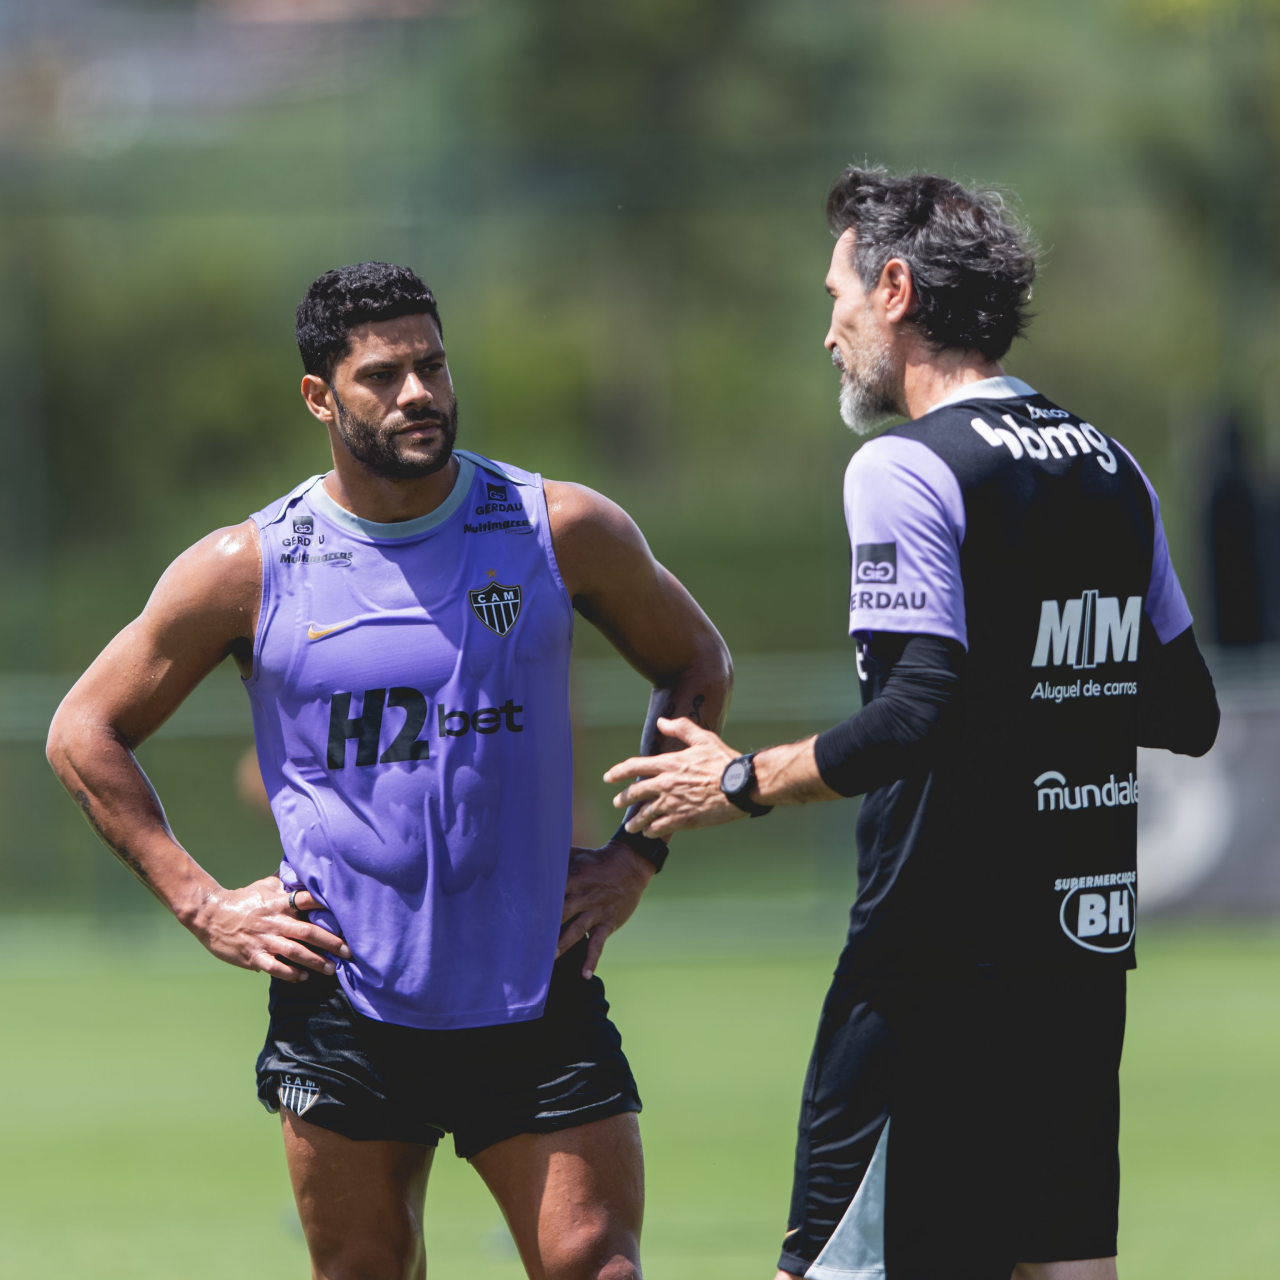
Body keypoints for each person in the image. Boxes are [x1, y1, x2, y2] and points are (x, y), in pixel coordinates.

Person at [46, 262, 730, 1280]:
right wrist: (203, 903)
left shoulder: (557, 527)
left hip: (534, 984)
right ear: (321, 396)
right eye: (382, 375)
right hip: (344, 1002)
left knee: (597, 1265)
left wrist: (635, 857)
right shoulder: (250, 564)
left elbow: (696, 663)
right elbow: (83, 730)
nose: (418, 392)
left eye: (432, 364)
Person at [604, 168, 1220, 1280]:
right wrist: (1034, 686)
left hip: (932, 963)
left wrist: (740, 778)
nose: (827, 328)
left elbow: (914, 712)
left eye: (835, 292)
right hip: (1077, 964)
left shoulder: (903, 466)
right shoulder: (1110, 467)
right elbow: (1185, 708)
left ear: (893, 288)